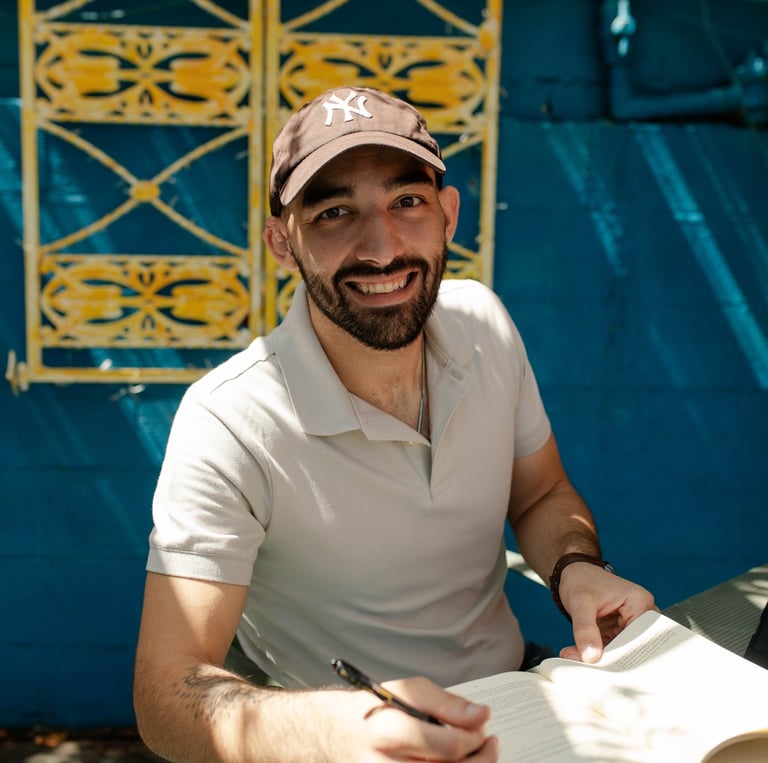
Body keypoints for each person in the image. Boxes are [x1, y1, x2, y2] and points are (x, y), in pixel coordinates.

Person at [133, 86, 656, 762]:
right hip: (340, 740)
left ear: (448, 215)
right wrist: (336, 730)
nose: (381, 248)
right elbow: (165, 693)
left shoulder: (485, 326)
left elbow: (541, 494)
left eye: (407, 201)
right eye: (334, 212)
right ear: (282, 243)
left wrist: (575, 569)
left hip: (516, 702)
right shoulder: (228, 421)